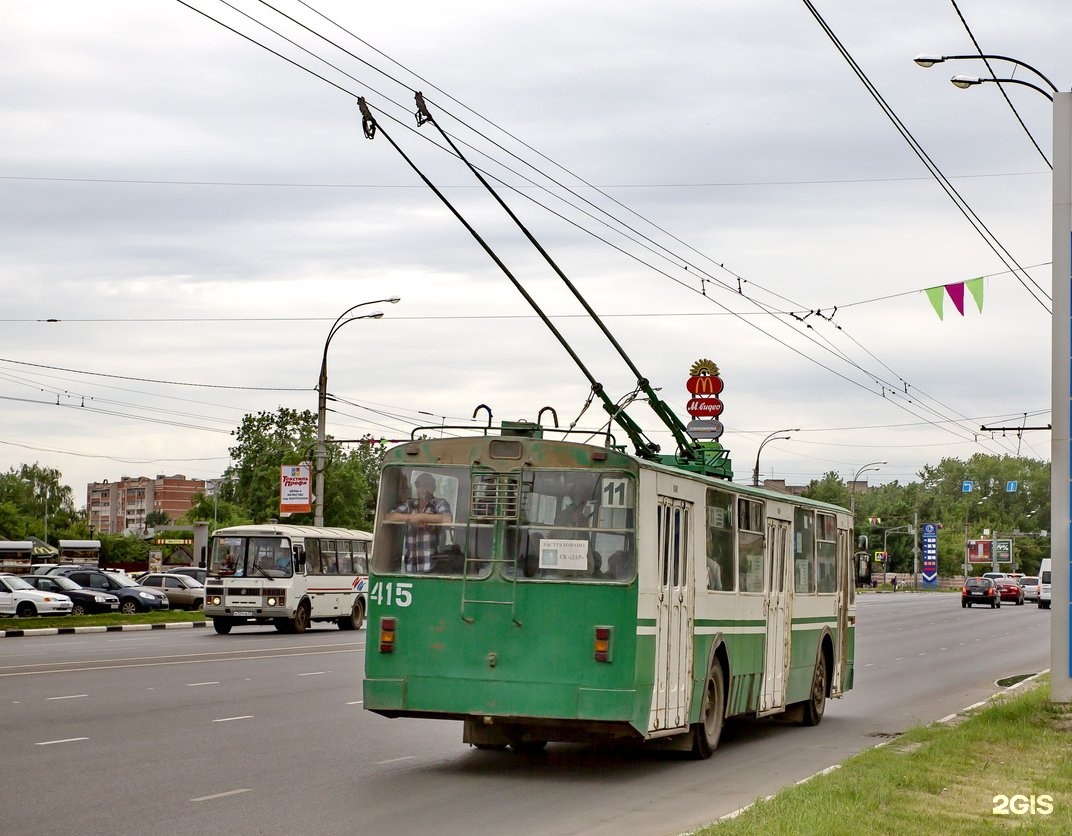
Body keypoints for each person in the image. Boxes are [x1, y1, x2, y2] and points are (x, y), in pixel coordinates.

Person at [384, 472, 452, 573]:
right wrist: (411, 519)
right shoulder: (410, 504)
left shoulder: (439, 503)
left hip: (432, 568)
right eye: (418, 485)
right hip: (410, 568)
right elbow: (389, 517)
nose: (422, 489)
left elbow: (447, 519)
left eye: (426, 486)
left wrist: (420, 517)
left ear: (433, 488)